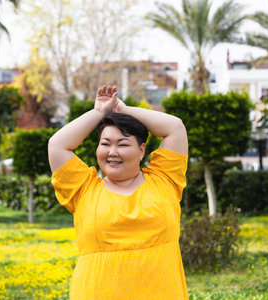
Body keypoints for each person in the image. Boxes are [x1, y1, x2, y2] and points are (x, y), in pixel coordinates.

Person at [48, 85, 189, 299]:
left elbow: (175, 127)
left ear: (142, 150)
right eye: (105, 144)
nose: (112, 152)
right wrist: (99, 113)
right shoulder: (83, 189)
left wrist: (123, 109)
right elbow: (57, 144)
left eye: (122, 144)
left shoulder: (165, 180)